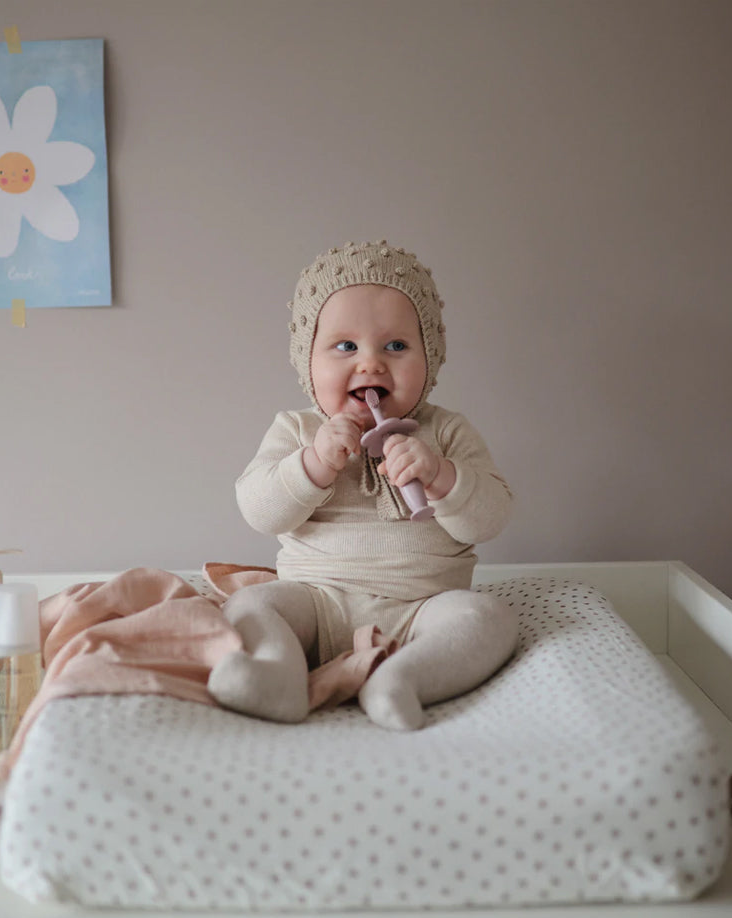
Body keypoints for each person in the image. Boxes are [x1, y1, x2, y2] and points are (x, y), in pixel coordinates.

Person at [208, 240, 517, 730]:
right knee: (251, 605)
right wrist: (312, 465)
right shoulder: (297, 429)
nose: (371, 364)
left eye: (396, 346)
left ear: (430, 358)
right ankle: (278, 676)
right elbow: (259, 510)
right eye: (346, 346)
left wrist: (440, 475)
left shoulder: (447, 432)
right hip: (315, 600)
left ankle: (401, 680)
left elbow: (492, 517)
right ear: (309, 360)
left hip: (423, 609)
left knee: (489, 619)